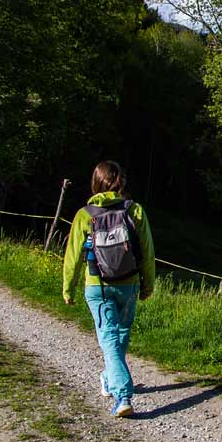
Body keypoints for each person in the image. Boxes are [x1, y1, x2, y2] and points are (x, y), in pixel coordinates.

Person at [62, 161, 155, 418]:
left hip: (98, 287)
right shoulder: (134, 211)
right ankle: (110, 379)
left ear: (96, 182)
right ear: (120, 182)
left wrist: (68, 288)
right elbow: (147, 252)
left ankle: (122, 394)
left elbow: (72, 257)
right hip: (129, 284)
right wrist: (148, 285)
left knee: (109, 338)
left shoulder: (85, 214)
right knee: (119, 336)